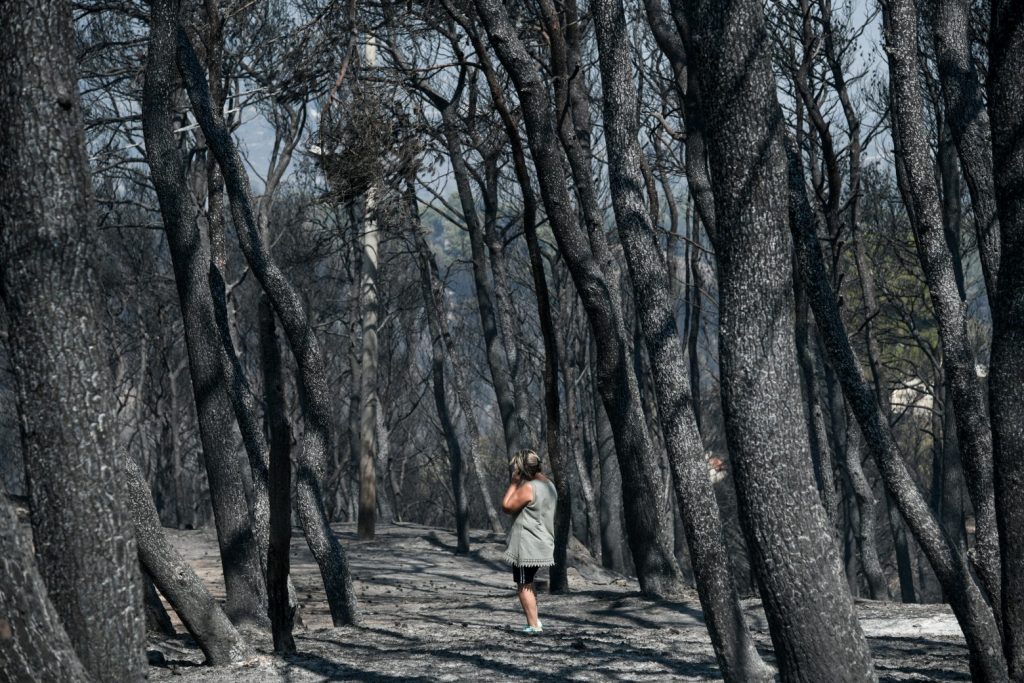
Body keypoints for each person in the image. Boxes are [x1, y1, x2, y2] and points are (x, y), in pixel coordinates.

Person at [501, 448, 557, 634]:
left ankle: (533, 626)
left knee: (523, 584)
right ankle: (535, 621)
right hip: (543, 540)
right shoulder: (549, 485)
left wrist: (513, 484)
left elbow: (507, 506)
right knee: (529, 582)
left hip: (527, 544)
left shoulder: (529, 487)